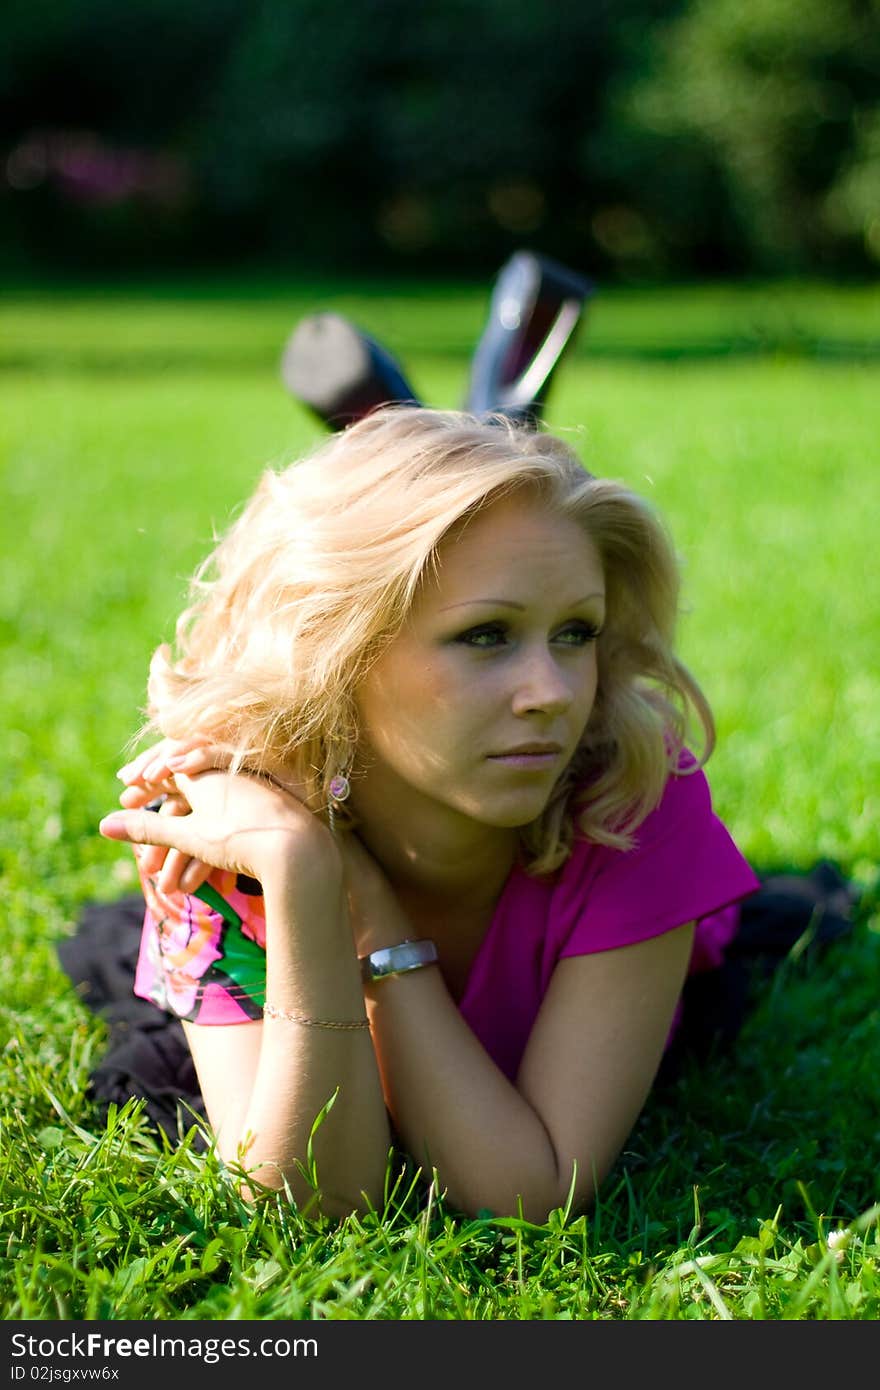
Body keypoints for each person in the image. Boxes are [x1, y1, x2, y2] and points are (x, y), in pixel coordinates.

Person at [93, 404, 762, 1223]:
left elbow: (530, 1195)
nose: (553, 695)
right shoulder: (238, 822)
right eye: (486, 636)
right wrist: (302, 873)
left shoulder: (631, 796)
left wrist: (367, 911)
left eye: (576, 633)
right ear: (336, 650)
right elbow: (308, 1204)